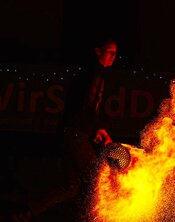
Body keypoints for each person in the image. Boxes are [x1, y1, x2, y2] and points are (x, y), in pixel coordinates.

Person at [10, 38, 118, 222]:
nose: (113, 57)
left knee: (71, 187)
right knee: (98, 177)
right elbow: (87, 106)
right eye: (110, 52)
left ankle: (27, 210)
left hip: (72, 133)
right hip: (76, 135)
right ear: (98, 51)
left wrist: (95, 130)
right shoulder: (94, 74)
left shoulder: (90, 73)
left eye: (115, 53)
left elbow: (84, 107)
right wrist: (98, 129)